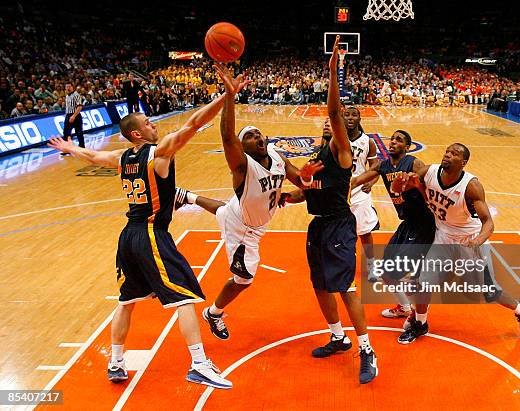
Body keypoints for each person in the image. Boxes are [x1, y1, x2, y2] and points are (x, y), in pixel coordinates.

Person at [46, 75, 247, 389]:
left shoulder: (121, 157)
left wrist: (71, 147)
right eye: (149, 122)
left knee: (127, 301)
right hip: (152, 233)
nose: (155, 125)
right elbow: (193, 124)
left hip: (128, 237)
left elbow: (93, 156)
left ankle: (116, 361)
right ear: (137, 132)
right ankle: (198, 363)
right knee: (185, 298)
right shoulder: (159, 153)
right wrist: (225, 96)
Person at [173, 65, 323, 341]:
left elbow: (299, 183)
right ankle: (213, 313)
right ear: (242, 148)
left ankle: (185, 196)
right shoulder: (242, 166)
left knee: (226, 208)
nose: (258, 138)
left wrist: (305, 177)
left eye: (258, 134)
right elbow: (227, 136)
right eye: (250, 137)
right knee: (244, 279)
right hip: (244, 229)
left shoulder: (277, 155)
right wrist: (230, 96)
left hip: (246, 210)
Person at [284, 36, 378, 384]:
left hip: (339, 224)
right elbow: (306, 190)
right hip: (318, 226)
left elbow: (335, 112)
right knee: (320, 285)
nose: (328, 123)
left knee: (345, 287)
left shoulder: (343, 153)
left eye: (332, 123)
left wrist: (333, 71)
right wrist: (288, 189)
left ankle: (367, 348)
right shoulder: (316, 158)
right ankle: (337, 336)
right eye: (324, 124)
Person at [391, 143, 520, 343]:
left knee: (488, 291)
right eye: (447, 151)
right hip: (443, 236)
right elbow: (396, 189)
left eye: (454, 154)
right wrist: (401, 182)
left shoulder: (471, 186)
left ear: (463, 162)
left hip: (468, 240)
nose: (448, 155)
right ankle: (420, 324)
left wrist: (479, 240)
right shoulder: (430, 171)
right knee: (423, 284)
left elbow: (488, 223)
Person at [350, 130, 435, 324]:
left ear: (407, 147)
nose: (393, 142)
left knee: (405, 272)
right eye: (392, 139)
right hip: (407, 224)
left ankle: (419, 313)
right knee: (385, 272)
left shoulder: (413, 163)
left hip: (423, 224)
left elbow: (428, 187)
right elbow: (357, 180)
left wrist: (417, 187)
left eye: (399, 140)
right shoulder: (385, 166)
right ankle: (405, 307)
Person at [343, 106, 381, 282]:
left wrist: (371, 183)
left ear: (360, 119)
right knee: (342, 232)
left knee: (365, 232)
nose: (350, 118)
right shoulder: (336, 139)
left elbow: (376, 167)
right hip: (340, 190)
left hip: (359, 190)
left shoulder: (368, 142)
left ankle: (372, 266)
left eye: (354, 115)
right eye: (347, 115)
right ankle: (345, 264)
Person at [62, 82, 85, 156]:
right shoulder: (67, 96)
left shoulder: (76, 95)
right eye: (66, 87)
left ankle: (82, 148)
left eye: (69, 86)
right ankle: (66, 149)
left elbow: (80, 107)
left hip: (76, 115)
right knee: (66, 133)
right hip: (68, 115)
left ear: (72, 87)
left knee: (79, 133)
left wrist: (74, 116)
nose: (68, 88)